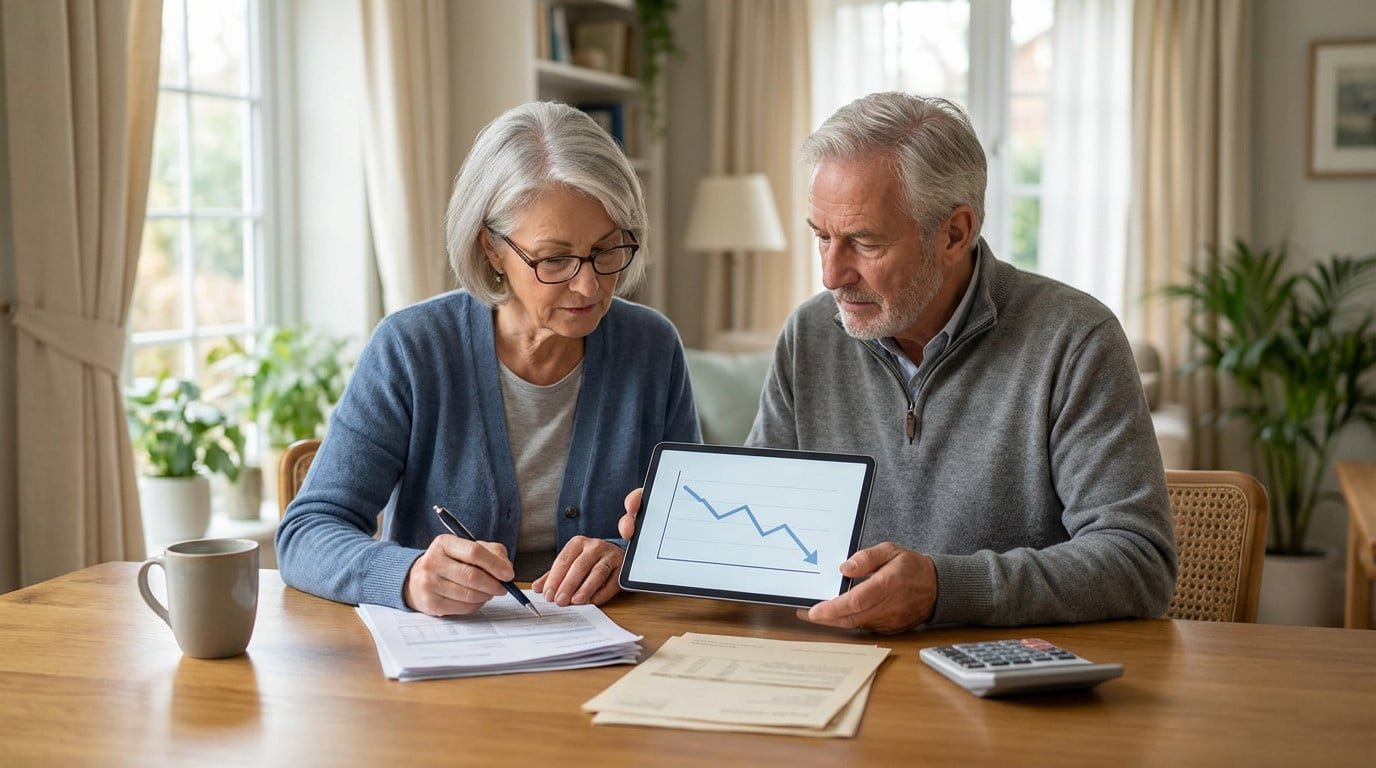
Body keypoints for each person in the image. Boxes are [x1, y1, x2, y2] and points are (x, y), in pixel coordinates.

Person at [621, 92, 1176, 633]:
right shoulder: (811, 334)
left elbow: (1139, 563)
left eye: (863, 243)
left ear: (954, 233)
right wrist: (683, 541)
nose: (831, 276)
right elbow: (763, 531)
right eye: (822, 238)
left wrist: (941, 589)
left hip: (1004, 681)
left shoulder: (1074, 339)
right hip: (834, 662)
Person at [278, 102, 700, 616]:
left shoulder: (651, 349)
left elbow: (687, 536)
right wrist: (408, 576)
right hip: (446, 664)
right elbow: (306, 533)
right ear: (492, 249)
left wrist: (625, 556)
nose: (588, 284)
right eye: (555, 259)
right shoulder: (413, 349)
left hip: (609, 650)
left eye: (608, 250)